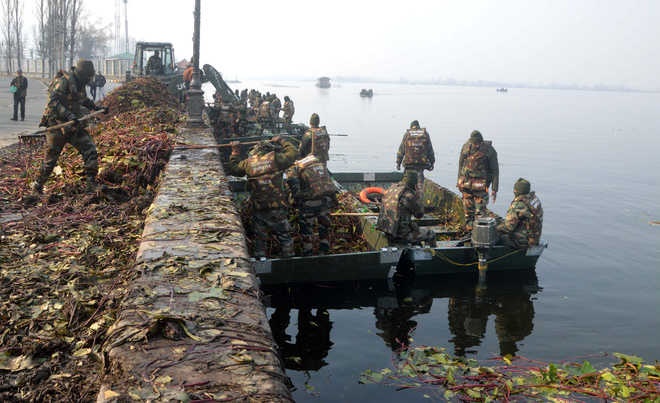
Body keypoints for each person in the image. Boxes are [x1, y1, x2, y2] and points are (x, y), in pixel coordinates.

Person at [31, 60, 109, 195]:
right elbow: (53, 102)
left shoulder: (80, 84)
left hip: (73, 127)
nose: (89, 80)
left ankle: (91, 184)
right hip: (57, 126)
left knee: (90, 150)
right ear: (82, 74)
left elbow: (83, 100)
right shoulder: (64, 81)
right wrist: (68, 115)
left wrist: (97, 108)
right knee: (50, 161)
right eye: (88, 77)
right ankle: (37, 186)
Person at [228, 136, 298, 258]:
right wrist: (281, 141)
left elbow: (234, 169)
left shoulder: (248, 163)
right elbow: (293, 153)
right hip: (277, 206)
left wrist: (235, 152)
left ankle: (261, 262)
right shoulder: (275, 158)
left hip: (259, 207)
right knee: (284, 236)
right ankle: (289, 261)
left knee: (259, 238)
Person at [286, 154, 338, 255]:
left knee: (306, 229)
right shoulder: (317, 162)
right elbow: (330, 183)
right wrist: (334, 201)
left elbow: (295, 191)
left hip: (309, 204)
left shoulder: (294, 168)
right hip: (325, 200)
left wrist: (295, 203)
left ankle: (308, 251)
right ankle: (324, 249)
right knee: (324, 226)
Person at [376, 171, 436, 246]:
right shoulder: (409, 195)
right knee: (431, 234)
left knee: (413, 228)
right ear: (414, 184)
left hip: (387, 231)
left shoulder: (392, 188)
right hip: (401, 235)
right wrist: (418, 195)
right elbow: (419, 214)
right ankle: (432, 255)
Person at [457, 130, 499, 230]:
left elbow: (495, 171)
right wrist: (459, 181)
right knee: (468, 213)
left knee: (480, 213)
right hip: (466, 186)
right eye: (473, 143)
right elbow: (460, 164)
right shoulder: (466, 147)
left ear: (481, 142)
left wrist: (494, 189)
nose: (475, 145)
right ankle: (469, 231)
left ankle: (479, 233)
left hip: (480, 188)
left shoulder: (489, 150)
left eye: (477, 143)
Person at [496, 178, 543, 248]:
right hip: (534, 237)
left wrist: (495, 228)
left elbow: (508, 227)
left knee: (496, 235)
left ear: (517, 191)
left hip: (524, 241)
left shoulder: (519, 204)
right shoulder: (533, 199)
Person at [395, 120, 435, 194]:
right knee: (420, 186)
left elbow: (401, 151)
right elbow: (430, 150)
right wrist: (432, 162)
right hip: (420, 166)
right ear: (418, 126)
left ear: (411, 127)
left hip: (408, 166)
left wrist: (398, 163)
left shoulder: (407, 134)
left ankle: (406, 198)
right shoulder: (425, 134)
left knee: (406, 185)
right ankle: (420, 198)